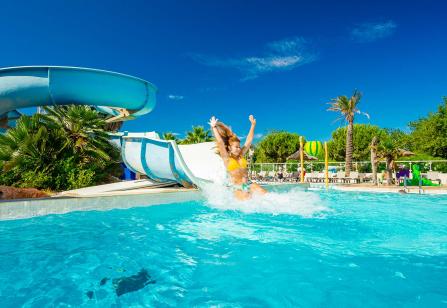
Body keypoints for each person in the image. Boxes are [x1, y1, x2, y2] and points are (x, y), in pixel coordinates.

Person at [209, 115, 267, 200]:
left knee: (266, 195)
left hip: (248, 184)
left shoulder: (241, 155)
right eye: (236, 147)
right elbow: (220, 142)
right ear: (229, 148)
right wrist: (214, 127)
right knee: (246, 202)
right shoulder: (226, 158)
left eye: (239, 147)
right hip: (237, 187)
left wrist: (253, 125)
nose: (239, 149)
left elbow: (248, 141)